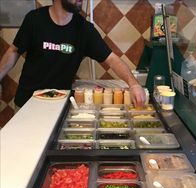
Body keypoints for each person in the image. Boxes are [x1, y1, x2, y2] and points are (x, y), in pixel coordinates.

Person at [0, 0, 146, 108]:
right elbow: (14, 51)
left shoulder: (84, 29)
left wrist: (133, 84)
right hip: (27, 102)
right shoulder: (34, 19)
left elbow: (112, 59)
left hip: (59, 104)